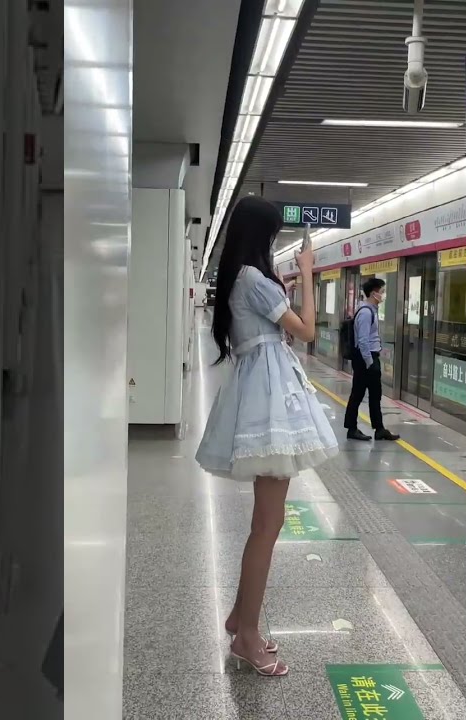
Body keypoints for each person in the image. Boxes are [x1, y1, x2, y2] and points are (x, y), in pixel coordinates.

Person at [195, 197, 339, 676]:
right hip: (272, 398)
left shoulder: (244, 279)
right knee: (267, 525)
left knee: (266, 521)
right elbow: (309, 331)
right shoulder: (254, 280)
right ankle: (247, 636)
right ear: (264, 237)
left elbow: (279, 329)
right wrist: (309, 273)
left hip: (260, 391)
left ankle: (241, 616)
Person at [344, 278, 400, 442]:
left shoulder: (369, 310)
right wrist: (370, 363)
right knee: (358, 394)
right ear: (374, 293)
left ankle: (379, 428)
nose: (383, 295)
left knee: (374, 395)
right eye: (382, 291)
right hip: (365, 360)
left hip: (368, 358)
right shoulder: (366, 313)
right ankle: (352, 428)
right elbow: (363, 341)